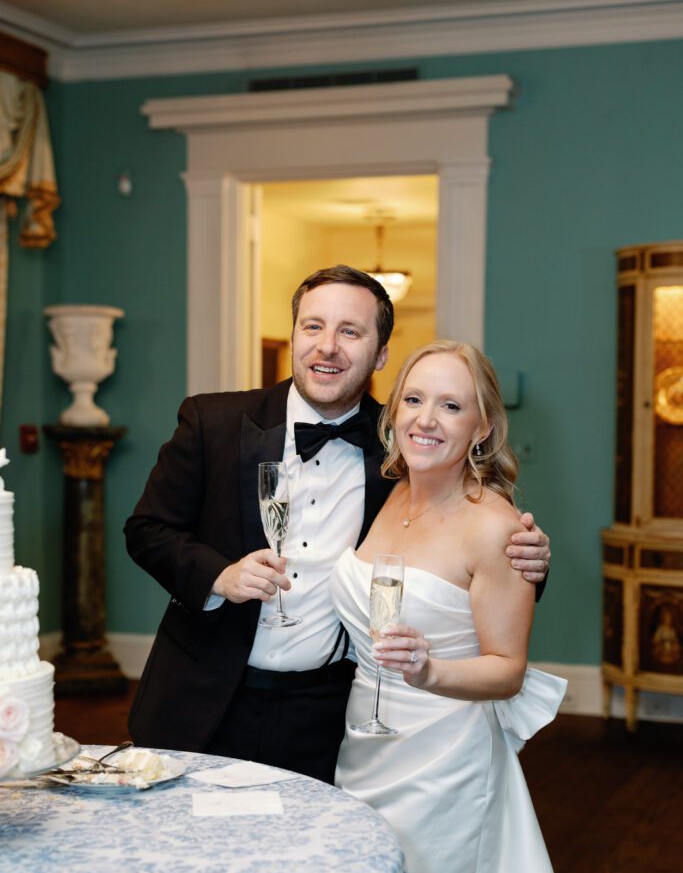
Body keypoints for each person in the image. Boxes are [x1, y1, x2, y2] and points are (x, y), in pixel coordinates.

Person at [124, 266, 550, 784]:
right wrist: (219, 576)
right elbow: (146, 529)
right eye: (313, 327)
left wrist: (528, 556)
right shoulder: (211, 422)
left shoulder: (401, 449)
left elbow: (451, 541)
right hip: (203, 699)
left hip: (330, 716)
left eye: (350, 331)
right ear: (294, 336)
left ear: (381, 354)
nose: (328, 347)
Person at [332, 341, 586, 873]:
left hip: (444, 762)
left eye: (450, 405)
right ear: (392, 413)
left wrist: (428, 671)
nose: (426, 419)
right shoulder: (389, 497)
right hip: (365, 743)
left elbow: (506, 670)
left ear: (482, 427)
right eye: (414, 400)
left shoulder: (495, 527)